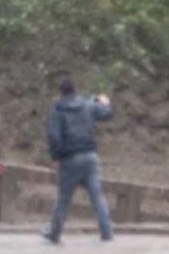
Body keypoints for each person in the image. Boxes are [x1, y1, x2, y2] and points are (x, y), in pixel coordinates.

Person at [43, 78, 115, 244]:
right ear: (75, 90)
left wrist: (56, 157)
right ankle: (107, 232)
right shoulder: (88, 105)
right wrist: (105, 103)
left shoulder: (58, 111)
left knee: (64, 198)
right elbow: (107, 114)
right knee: (97, 196)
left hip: (70, 159)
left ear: (61, 92)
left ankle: (55, 233)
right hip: (90, 156)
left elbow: (54, 137)